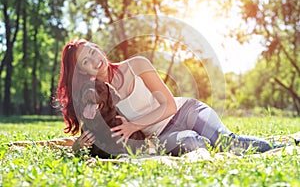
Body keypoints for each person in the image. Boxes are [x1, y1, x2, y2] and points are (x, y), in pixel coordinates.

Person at [56, 38, 278, 157]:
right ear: (83, 71)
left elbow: (170, 105)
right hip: (164, 134)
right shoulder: (96, 96)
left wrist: (133, 125)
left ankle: (278, 145)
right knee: (193, 142)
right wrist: (78, 146)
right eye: (86, 61)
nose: (95, 59)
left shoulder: (137, 64)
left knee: (228, 142)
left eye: (93, 51)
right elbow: (96, 132)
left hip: (187, 111)